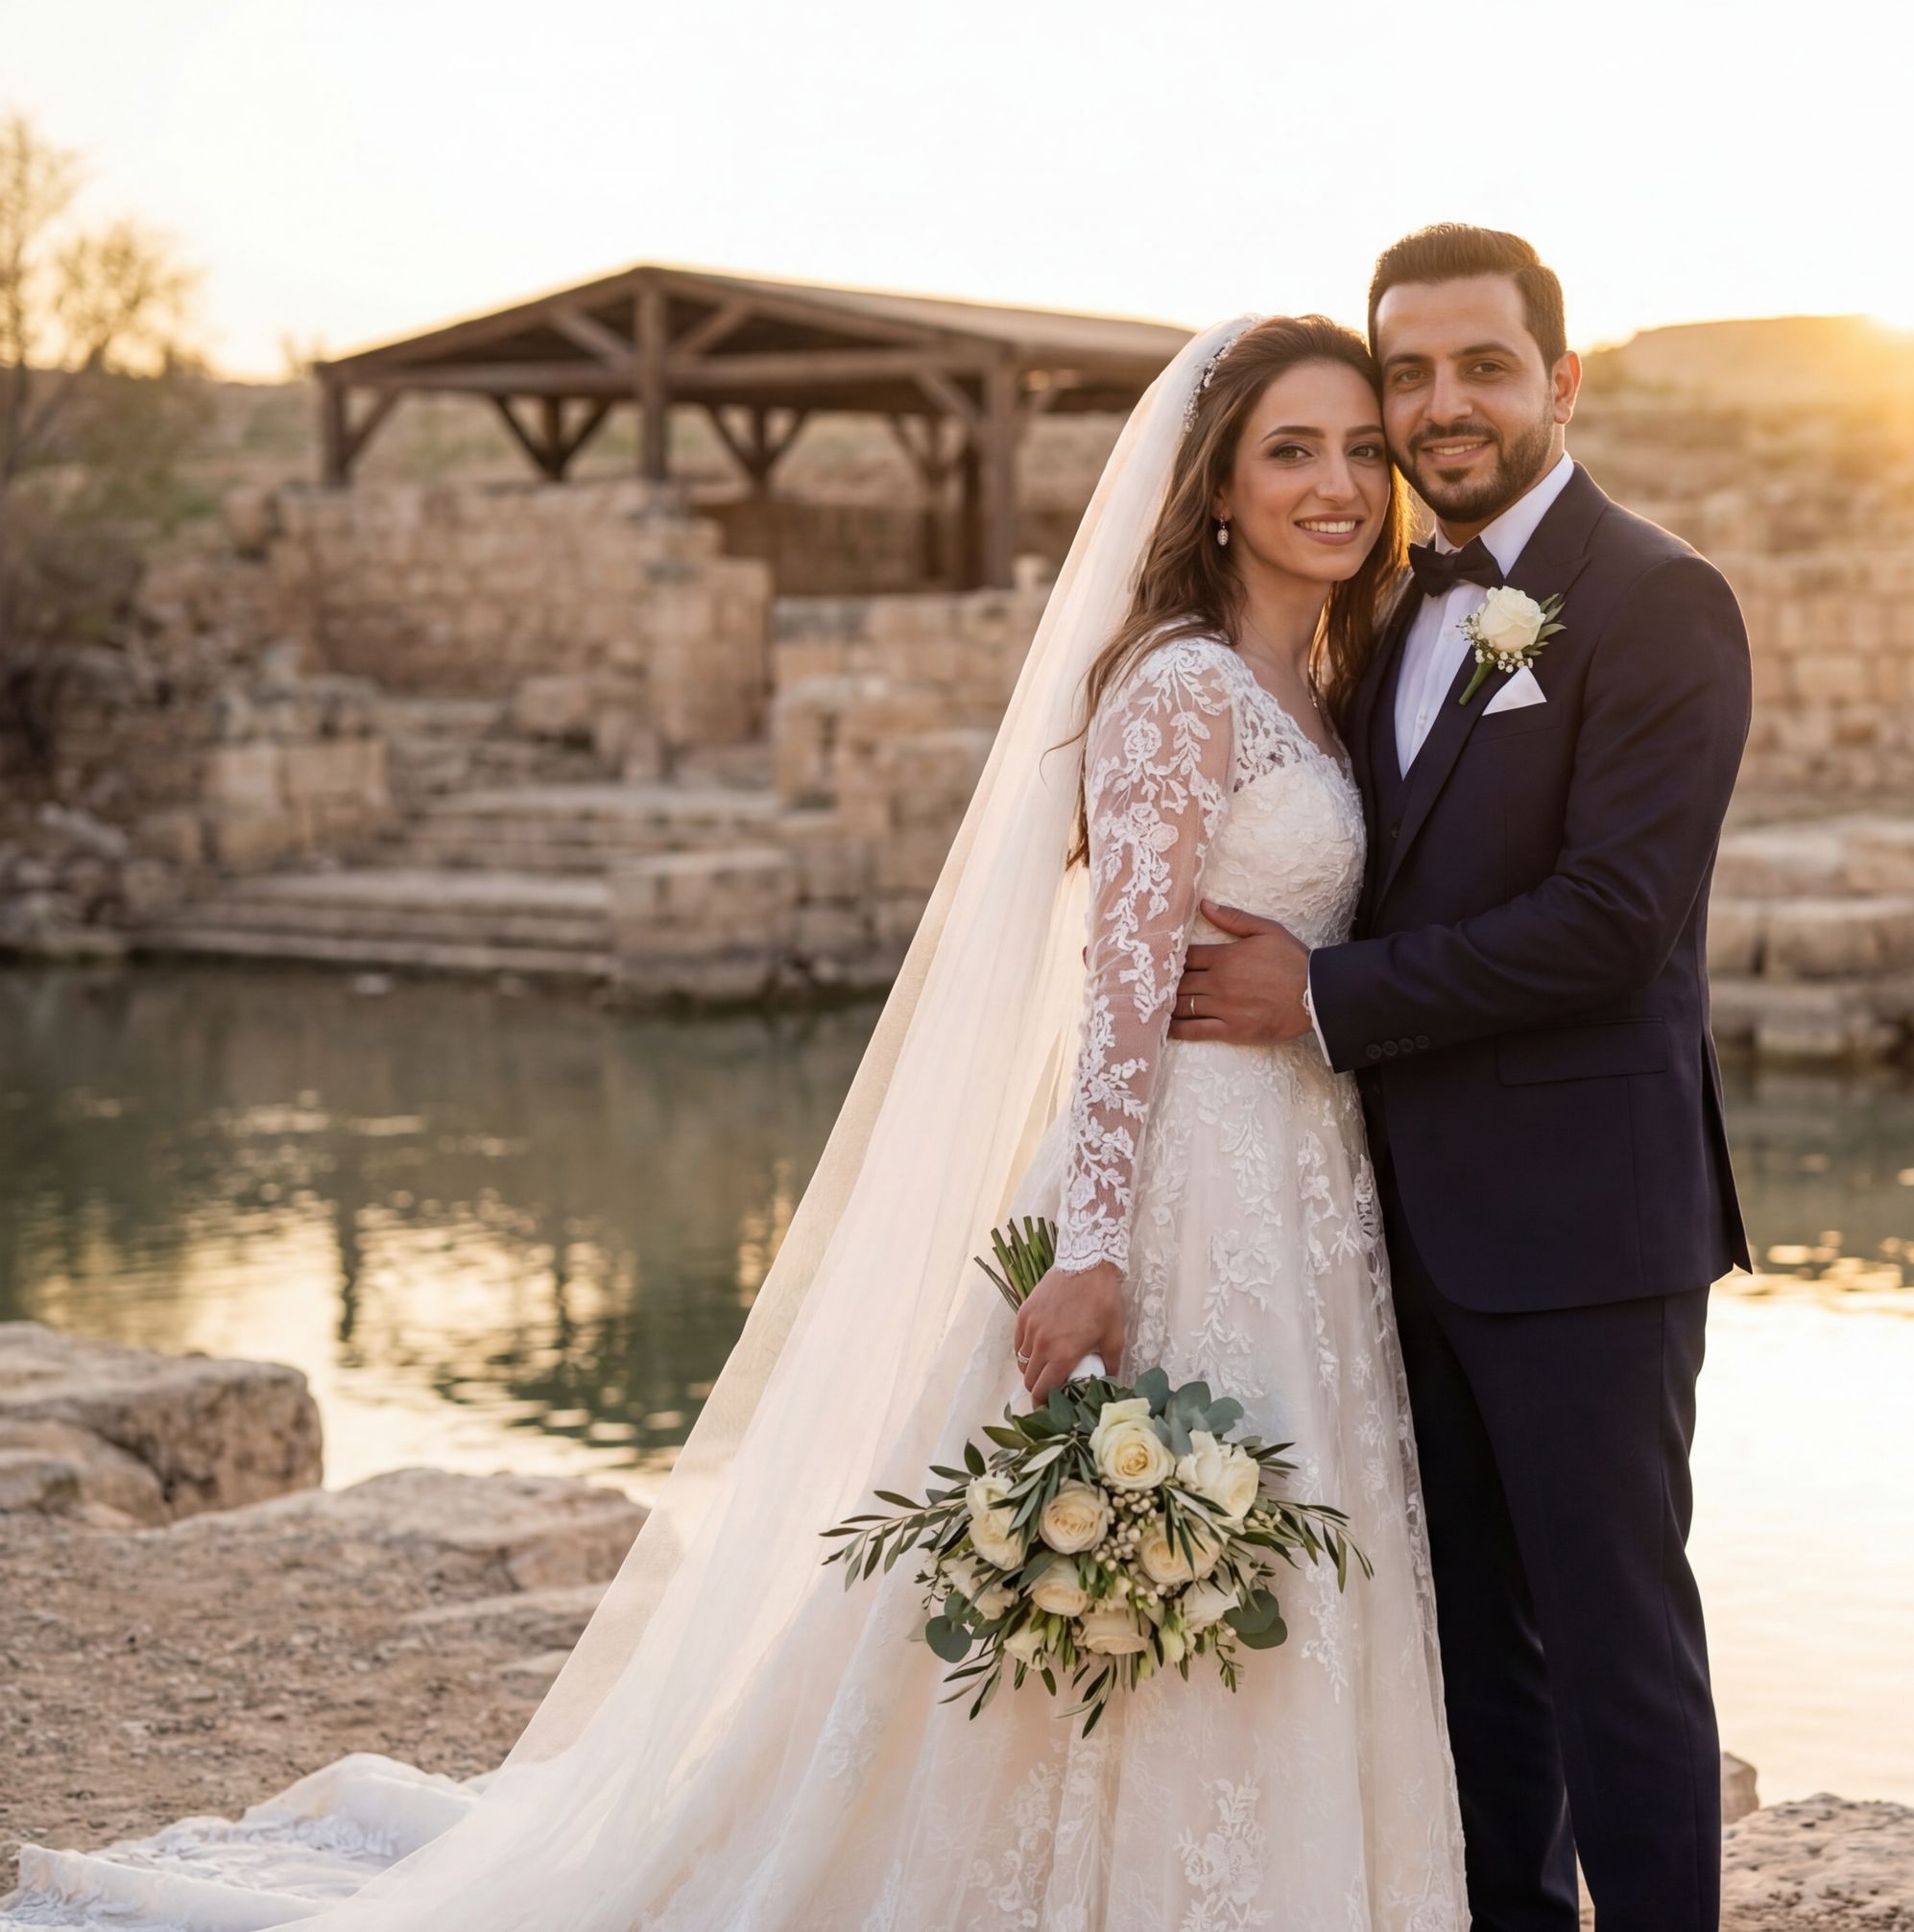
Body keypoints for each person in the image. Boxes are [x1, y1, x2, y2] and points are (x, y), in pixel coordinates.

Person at [10, 316, 1468, 1930]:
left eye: (1361, 450)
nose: (1338, 484)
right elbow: (1119, 991)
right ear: (1216, 487)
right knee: (1151, 1550)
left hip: (1301, 1181)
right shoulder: (1180, 687)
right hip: (1189, 1185)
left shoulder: (1318, 678)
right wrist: (1095, 1248)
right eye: (1291, 450)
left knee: (1273, 1542)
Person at [1169, 225, 1754, 1932]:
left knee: (1617, 1650)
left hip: (1584, 1233)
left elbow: (1613, 922)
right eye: (1407, 372)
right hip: (1388, 1224)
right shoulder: (1379, 616)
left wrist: (1321, 996)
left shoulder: (1659, 599)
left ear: (1559, 381)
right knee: (1467, 1654)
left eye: (1483, 366)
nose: (1443, 405)